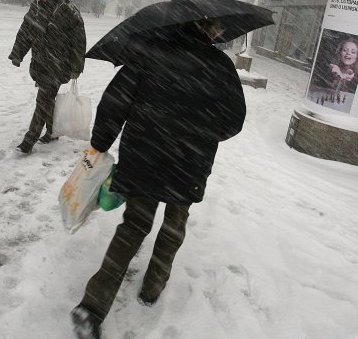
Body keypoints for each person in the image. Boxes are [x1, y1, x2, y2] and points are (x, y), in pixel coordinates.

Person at [70, 19, 247, 339]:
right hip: (190, 163)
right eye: (217, 28)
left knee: (134, 226)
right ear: (212, 31)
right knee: (174, 226)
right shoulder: (221, 66)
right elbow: (234, 122)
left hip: (144, 154)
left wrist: (100, 143)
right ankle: (152, 288)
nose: (218, 33)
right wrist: (203, 132)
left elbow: (115, 101)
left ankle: (92, 307)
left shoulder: (150, 52)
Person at [9, 0, 85, 154]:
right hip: (41, 61)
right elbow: (25, 32)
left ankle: (29, 140)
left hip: (59, 64)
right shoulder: (35, 7)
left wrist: (76, 66)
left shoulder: (67, 9)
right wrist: (17, 54)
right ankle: (52, 131)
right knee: (48, 99)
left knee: (43, 99)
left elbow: (79, 40)